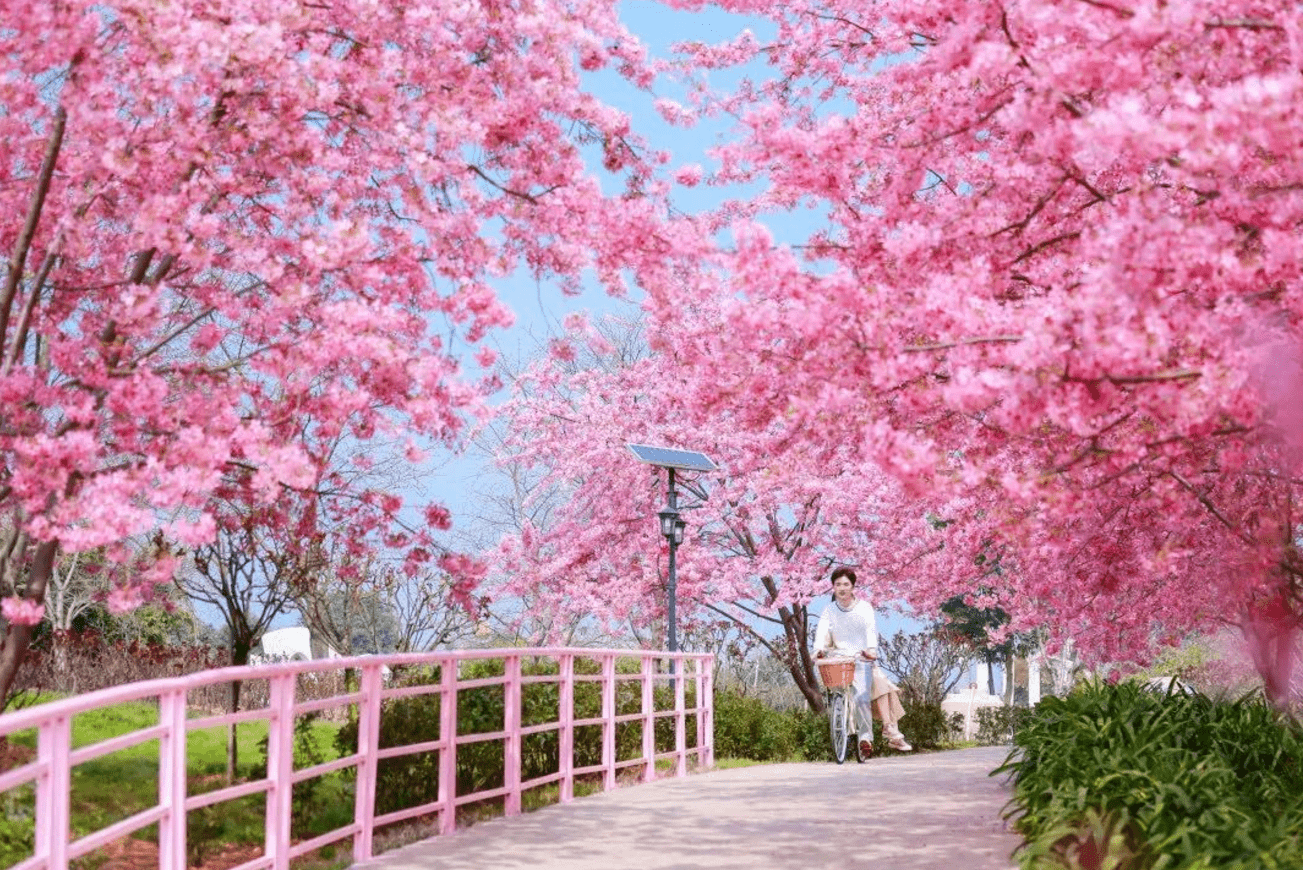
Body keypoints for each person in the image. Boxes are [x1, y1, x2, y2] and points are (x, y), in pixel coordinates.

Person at [812, 566, 912, 755]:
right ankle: (889, 728)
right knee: (868, 689)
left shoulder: (864, 607)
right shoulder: (829, 610)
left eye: (846, 584)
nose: (842, 588)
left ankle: (866, 738)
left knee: (863, 698)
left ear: (853, 587)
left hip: (861, 658)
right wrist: (818, 649)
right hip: (838, 660)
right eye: (837, 584)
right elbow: (822, 631)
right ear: (833, 587)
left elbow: (870, 630)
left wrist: (871, 650)